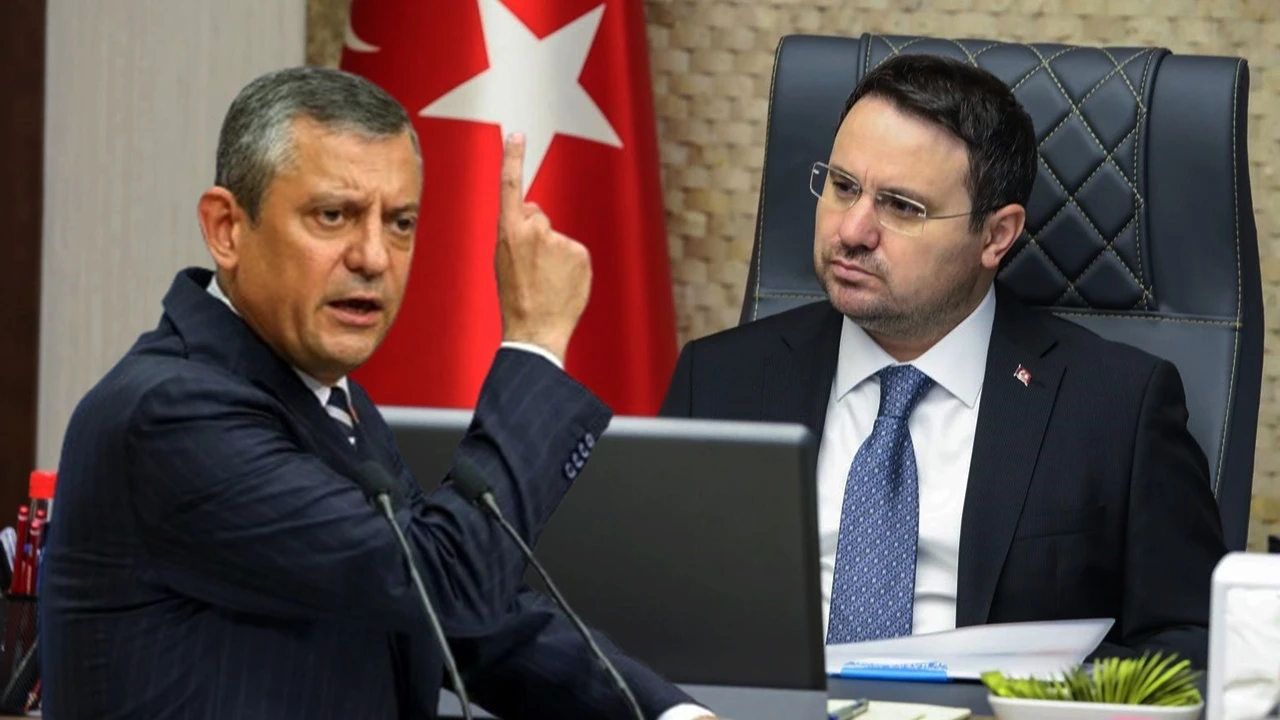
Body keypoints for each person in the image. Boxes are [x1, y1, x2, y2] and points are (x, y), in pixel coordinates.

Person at [39, 66, 715, 720]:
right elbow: (445, 583)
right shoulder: (170, 413)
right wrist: (534, 344)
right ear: (227, 229)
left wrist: (671, 712)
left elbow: (469, 624)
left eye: (400, 223)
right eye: (334, 215)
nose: (373, 257)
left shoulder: (331, 402)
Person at [660, 53, 1227, 667]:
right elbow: (644, 615)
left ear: (996, 235)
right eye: (844, 187)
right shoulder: (717, 382)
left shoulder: (1118, 407)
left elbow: (1191, 644)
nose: (852, 230)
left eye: (902, 206)